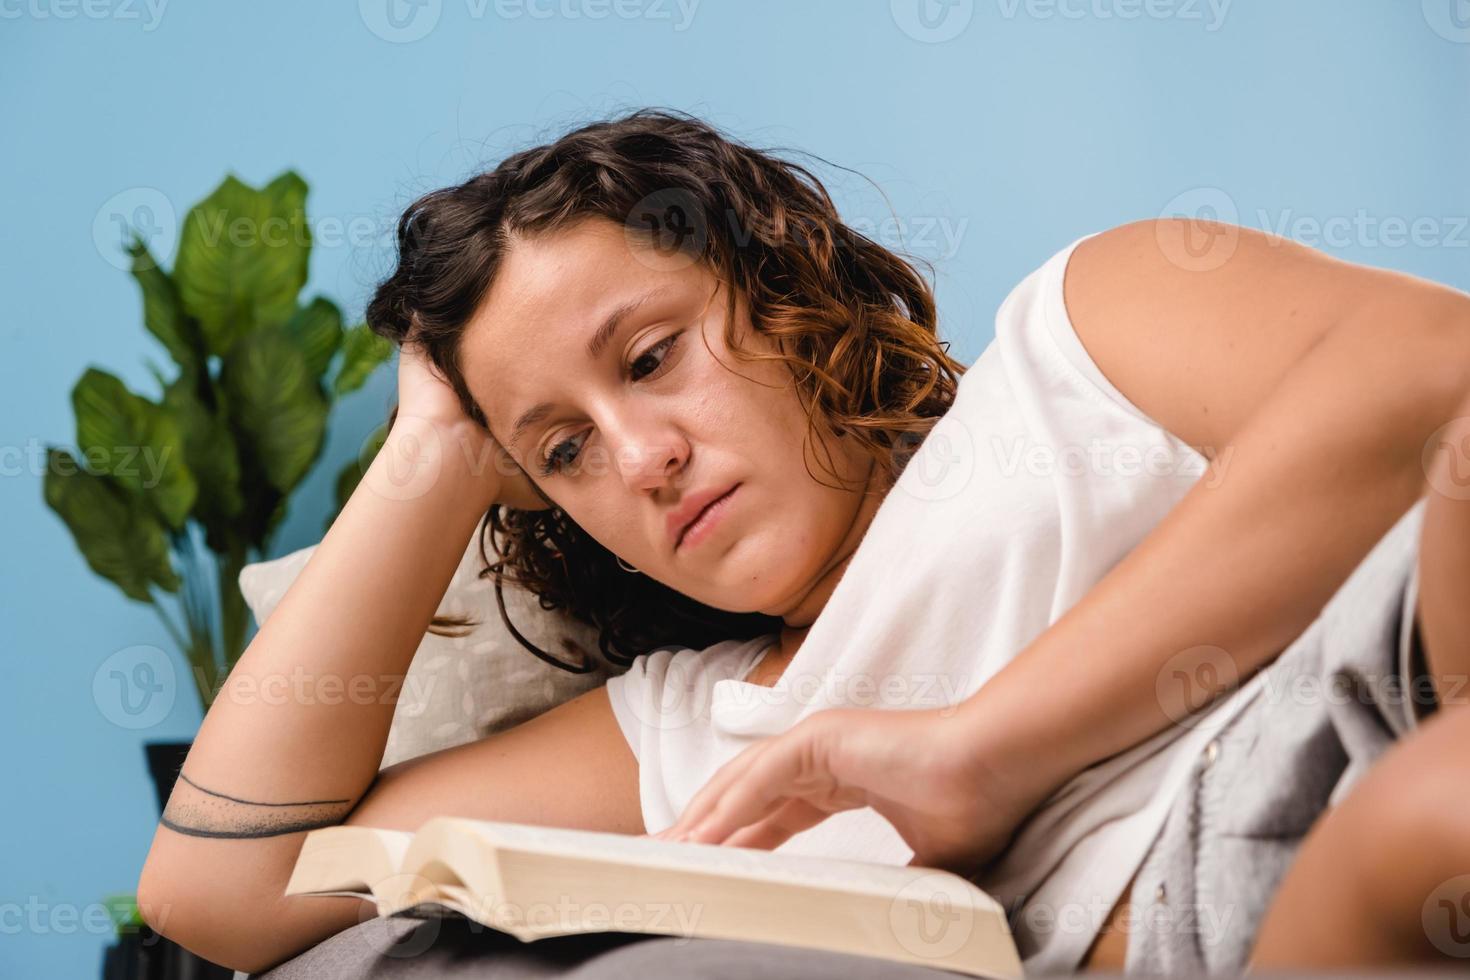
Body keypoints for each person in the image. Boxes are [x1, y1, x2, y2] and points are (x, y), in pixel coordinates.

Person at [135, 108, 1470, 975]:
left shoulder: (1077, 338)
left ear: (780, 286)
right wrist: (432, 449)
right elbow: (220, 891)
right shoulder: (680, 739)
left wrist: (980, 751)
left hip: (1386, 674)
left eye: (650, 357)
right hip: (1262, 909)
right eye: (560, 449)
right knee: (1424, 822)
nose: (642, 457)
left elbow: (1431, 369)